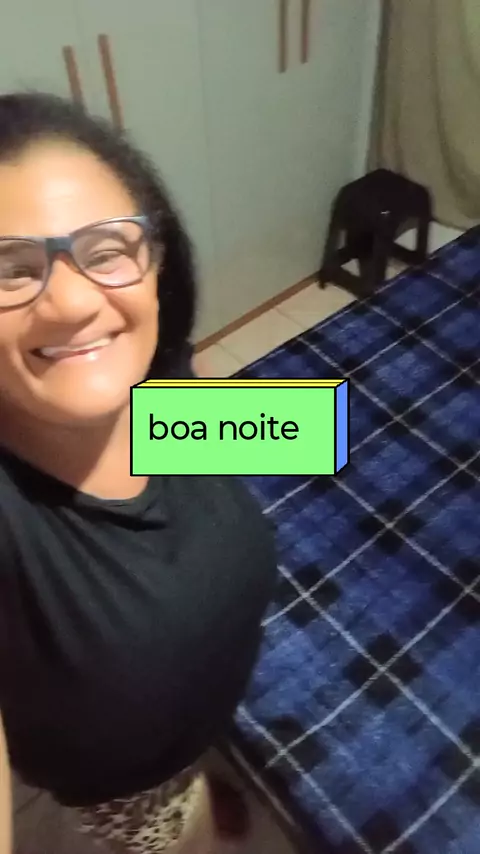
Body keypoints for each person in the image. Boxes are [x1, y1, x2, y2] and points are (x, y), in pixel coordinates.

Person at [0, 92, 278, 853]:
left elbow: (278, 433)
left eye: (105, 250)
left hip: (207, 712)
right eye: (8, 271)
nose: (72, 303)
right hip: (128, 791)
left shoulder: (159, 378)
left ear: (156, 263)